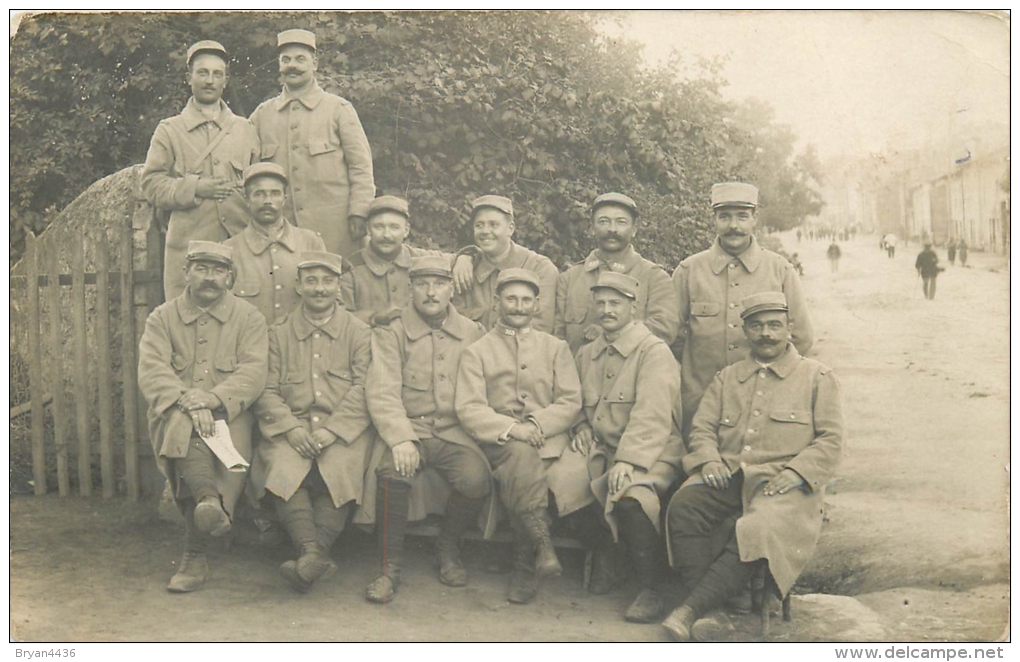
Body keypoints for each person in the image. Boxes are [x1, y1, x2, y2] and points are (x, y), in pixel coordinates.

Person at [661, 292, 844, 642]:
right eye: (757, 325)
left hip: (787, 486)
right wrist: (709, 459)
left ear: (789, 328)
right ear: (745, 330)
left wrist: (795, 474)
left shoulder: (817, 377)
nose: (767, 334)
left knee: (759, 527)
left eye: (775, 325)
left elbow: (831, 441)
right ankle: (717, 607)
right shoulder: (728, 377)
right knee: (683, 507)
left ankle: (689, 610)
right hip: (729, 474)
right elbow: (702, 428)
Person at [137, 241, 268, 592]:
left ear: (230, 278)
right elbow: (152, 370)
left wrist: (211, 399)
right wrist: (188, 403)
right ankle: (202, 526)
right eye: (202, 269)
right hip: (175, 412)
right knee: (182, 431)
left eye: (218, 271)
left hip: (230, 412)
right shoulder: (162, 317)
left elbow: (254, 371)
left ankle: (201, 532)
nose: (210, 278)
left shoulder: (249, 318)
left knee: (208, 441)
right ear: (186, 273)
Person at [361, 256, 491, 604]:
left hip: (454, 431)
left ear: (452, 289)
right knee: (392, 471)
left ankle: (447, 549)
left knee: (476, 478)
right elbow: (382, 390)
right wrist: (401, 437)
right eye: (422, 284)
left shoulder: (472, 333)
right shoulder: (392, 331)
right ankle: (390, 567)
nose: (431, 293)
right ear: (411, 289)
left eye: (439, 284)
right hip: (410, 428)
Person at [456, 269, 588, 604]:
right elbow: (470, 407)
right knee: (520, 457)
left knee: (525, 464)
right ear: (497, 302)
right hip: (497, 441)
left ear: (537, 305)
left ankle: (529, 559)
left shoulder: (555, 348)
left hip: (548, 439)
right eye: (511, 299)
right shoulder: (478, 350)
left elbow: (570, 400)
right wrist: (514, 429)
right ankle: (534, 555)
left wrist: (537, 425)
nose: (518, 306)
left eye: (526, 299)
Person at [250, 251, 373, 592]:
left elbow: (365, 388)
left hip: (342, 430)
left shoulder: (359, 333)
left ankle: (308, 557)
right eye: (312, 281)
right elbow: (266, 390)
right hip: (291, 429)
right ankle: (314, 554)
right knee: (284, 466)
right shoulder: (277, 334)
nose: (320, 289)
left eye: (328, 281)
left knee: (341, 467)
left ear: (339, 287)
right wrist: (290, 427)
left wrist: (334, 431)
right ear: (298, 287)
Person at [570, 272, 685, 623]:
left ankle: (650, 587)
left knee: (631, 497)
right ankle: (608, 552)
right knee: (559, 481)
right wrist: (580, 426)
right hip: (601, 448)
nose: (607, 310)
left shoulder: (653, 352)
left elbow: (652, 415)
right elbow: (573, 400)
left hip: (653, 450)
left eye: (615, 303)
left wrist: (630, 461)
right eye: (601, 303)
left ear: (633, 307)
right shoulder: (587, 353)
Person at [671, 182, 813, 442]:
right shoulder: (689, 271)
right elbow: (671, 337)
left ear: (755, 219)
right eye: (724, 216)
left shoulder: (779, 270)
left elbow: (801, 337)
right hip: (700, 404)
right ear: (713, 219)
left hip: (763, 405)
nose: (733, 225)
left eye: (742, 216)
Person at [141, 40, 260, 300]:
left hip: (239, 244)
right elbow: (150, 184)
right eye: (202, 73)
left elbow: (258, 186)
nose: (209, 81)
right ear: (189, 77)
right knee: (188, 325)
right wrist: (195, 187)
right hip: (189, 249)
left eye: (217, 74)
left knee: (239, 322)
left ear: (226, 80)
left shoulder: (245, 129)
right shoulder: (169, 130)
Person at [250, 29, 374, 259]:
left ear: (314, 63)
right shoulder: (261, 115)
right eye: (285, 60)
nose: (292, 66)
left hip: (335, 231)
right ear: (279, 65)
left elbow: (361, 167)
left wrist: (359, 211)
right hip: (281, 231)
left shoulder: (339, 109)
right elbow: (248, 172)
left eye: (300, 59)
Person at [554, 192, 678, 355]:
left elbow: (665, 329)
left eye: (621, 222)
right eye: (603, 221)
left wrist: (614, 334)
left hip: (632, 375)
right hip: (576, 377)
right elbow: (556, 339)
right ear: (592, 229)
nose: (612, 229)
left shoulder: (655, 277)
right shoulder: (570, 278)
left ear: (634, 230)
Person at [339, 195, 476, 326]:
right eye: (379, 227)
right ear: (368, 229)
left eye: (394, 227)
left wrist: (465, 257)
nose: (386, 235)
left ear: (406, 230)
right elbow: (340, 317)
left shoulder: (419, 258)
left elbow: (455, 258)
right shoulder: (351, 268)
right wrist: (374, 317)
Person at [223, 163, 325, 324]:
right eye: (259, 194)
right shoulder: (229, 249)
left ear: (285, 199)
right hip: (250, 344)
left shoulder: (310, 242)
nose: (267, 201)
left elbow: (331, 302)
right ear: (247, 199)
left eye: (275, 194)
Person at [452, 195, 559, 333]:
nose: (485, 231)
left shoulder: (539, 268)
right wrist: (463, 256)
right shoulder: (466, 268)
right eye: (479, 225)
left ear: (510, 229)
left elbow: (540, 328)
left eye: (494, 225)